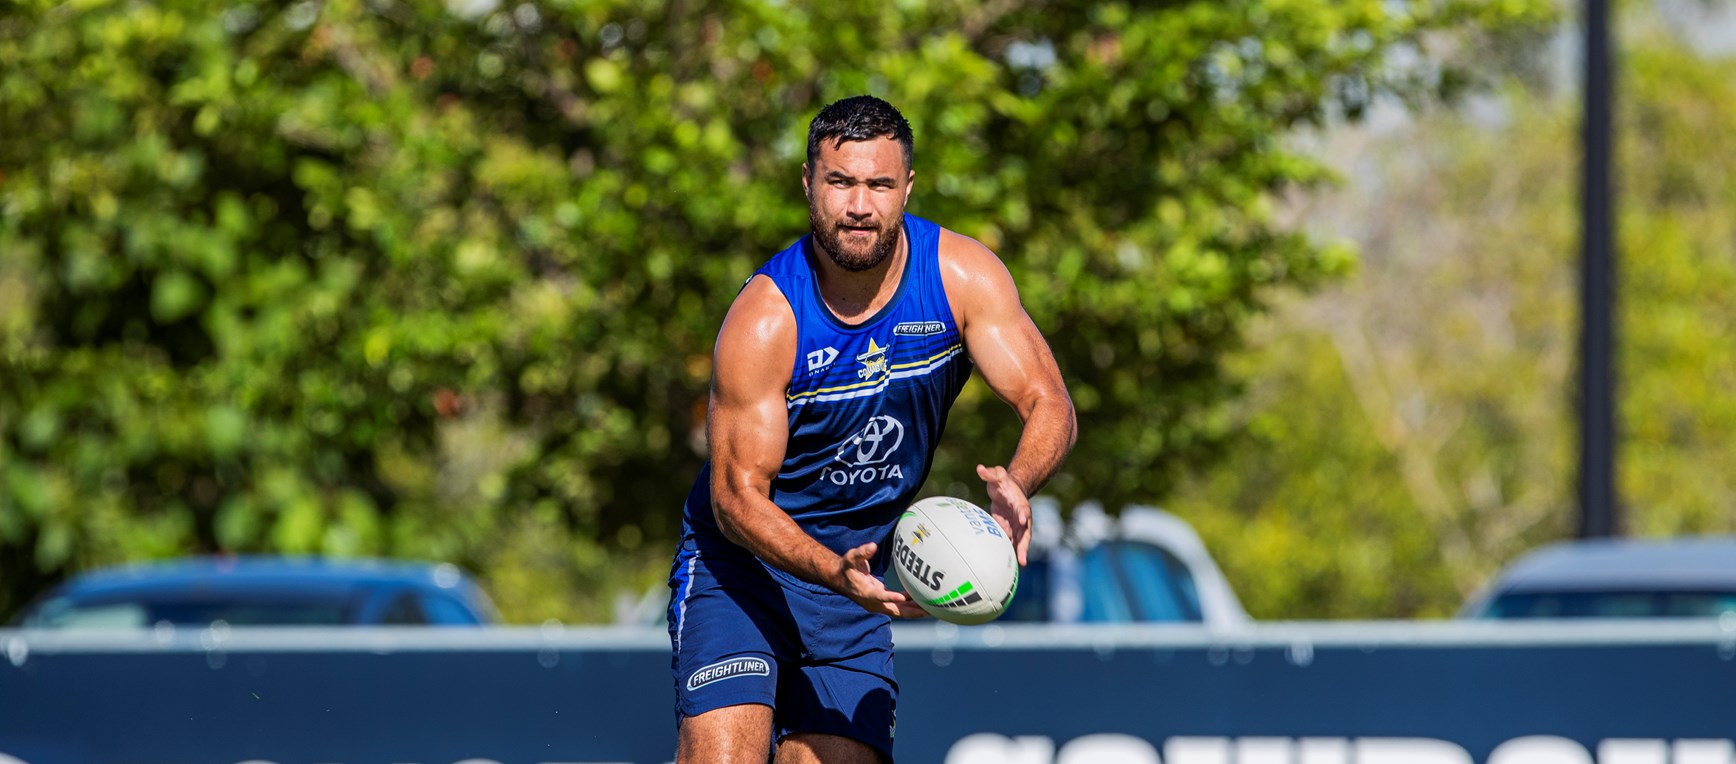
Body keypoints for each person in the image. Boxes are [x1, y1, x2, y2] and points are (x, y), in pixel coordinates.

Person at [666, 95, 1076, 763]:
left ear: (907, 187)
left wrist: (1018, 484)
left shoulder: (961, 278)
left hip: (857, 587)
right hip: (741, 572)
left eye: (879, 184)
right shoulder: (767, 317)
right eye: (840, 182)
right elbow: (736, 499)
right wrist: (832, 570)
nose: (859, 205)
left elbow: (1048, 400)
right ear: (808, 184)